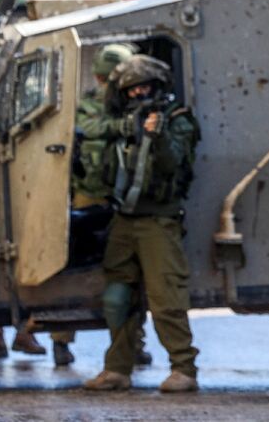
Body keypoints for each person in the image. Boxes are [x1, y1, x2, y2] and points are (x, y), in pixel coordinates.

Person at [84, 55, 200, 393]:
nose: (140, 94)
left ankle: (184, 368)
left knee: (166, 297)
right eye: (133, 89)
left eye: (146, 87)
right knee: (118, 298)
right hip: (124, 220)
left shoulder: (177, 120)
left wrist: (158, 134)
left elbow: (173, 164)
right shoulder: (121, 122)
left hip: (158, 222)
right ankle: (118, 369)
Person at [57, 43, 153, 368]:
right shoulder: (92, 107)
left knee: (123, 273)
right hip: (92, 193)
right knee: (75, 267)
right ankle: (62, 339)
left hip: (119, 196)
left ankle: (130, 343)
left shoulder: (129, 104)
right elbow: (88, 130)